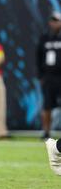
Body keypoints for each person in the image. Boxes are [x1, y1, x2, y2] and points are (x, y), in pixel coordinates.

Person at [36, 11, 61, 140]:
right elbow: (38, 57)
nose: (54, 23)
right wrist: (41, 76)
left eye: (57, 21)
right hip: (49, 77)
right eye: (53, 21)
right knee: (47, 105)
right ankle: (46, 132)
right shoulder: (44, 38)